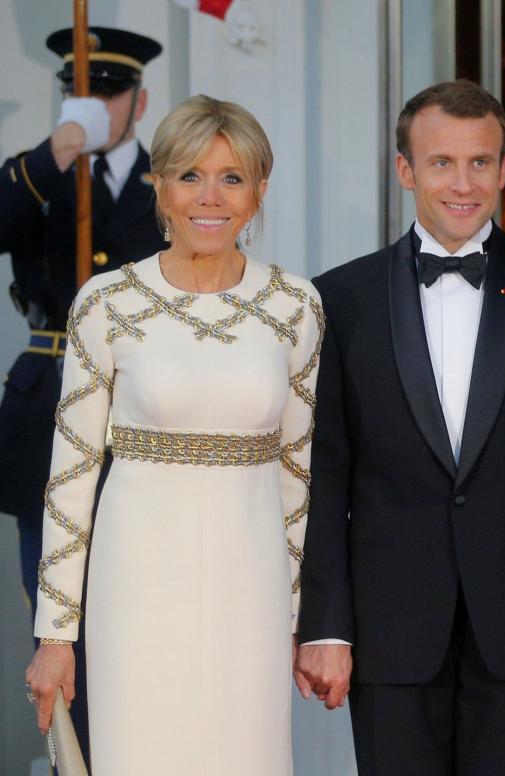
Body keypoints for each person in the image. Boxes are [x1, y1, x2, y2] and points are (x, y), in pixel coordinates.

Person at [295, 79, 505, 776]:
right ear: (406, 170)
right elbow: (325, 474)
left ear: (504, 170)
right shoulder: (337, 298)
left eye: (480, 162)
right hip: (387, 629)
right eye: (441, 162)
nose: (462, 183)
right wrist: (323, 624)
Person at [24, 95, 323, 776]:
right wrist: (56, 633)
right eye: (188, 175)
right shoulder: (105, 303)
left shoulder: (295, 306)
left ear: (259, 190)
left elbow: (297, 478)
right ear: (158, 186)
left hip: (253, 595)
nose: (209, 197)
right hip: (136, 592)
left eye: (231, 177)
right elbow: (68, 483)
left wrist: (299, 616)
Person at [1, 27, 163, 759]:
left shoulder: (176, 181)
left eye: (109, 92)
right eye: (80, 90)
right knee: (57, 620)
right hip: (50, 411)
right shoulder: (38, 173)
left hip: (145, 414)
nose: (95, 104)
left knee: (143, 617)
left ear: (140, 101)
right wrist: (58, 149)